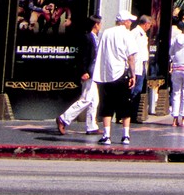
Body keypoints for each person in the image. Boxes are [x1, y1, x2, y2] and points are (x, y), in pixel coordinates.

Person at [93, 11, 144, 146]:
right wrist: (133, 75)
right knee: (125, 105)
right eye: (129, 21)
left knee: (107, 105)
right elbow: (131, 57)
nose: (131, 23)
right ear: (124, 21)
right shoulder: (127, 35)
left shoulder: (106, 33)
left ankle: (106, 135)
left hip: (106, 74)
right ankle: (125, 134)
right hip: (121, 73)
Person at [56, 13, 104, 135]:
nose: (101, 26)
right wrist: (83, 71)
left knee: (94, 100)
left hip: (94, 73)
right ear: (95, 25)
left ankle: (91, 126)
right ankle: (64, 118)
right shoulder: (87, 38)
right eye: (99, 23)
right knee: (87, 99)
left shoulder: (95, 37)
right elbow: (82, 56)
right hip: (88, 72)